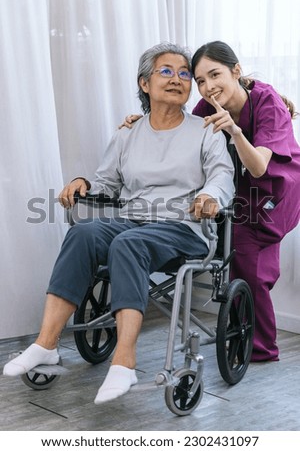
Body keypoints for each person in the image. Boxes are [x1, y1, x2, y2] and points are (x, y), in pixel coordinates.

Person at [3, 42, 234, 404]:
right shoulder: (128, 133)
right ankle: (46, 345)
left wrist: (210, 197)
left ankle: (124, 362)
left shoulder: (206, 130)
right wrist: (84, 184)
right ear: (145, 83)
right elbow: (106, 183)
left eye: (185, 73)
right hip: (135, 222)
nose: (178, 79)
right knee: (83, 233)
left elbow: (222, 177)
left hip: (184, 229)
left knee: (127, 243)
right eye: (166, 71)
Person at [122, 40, 300, 362]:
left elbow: (259, 168)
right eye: (200, 80)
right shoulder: (206, 108)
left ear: (236, 71)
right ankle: (243, 333)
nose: (207, 87)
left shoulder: (267, 102)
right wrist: (144, 122)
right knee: (229, 242)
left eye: (214, 75)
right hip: (242, 190)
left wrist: (234, 131)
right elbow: (181, 129)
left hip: (277, 189)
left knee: (249, 258)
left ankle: (259, 348)